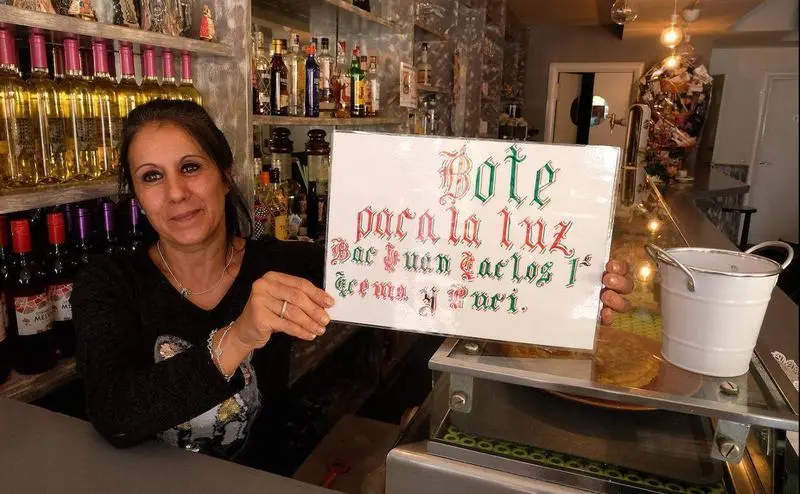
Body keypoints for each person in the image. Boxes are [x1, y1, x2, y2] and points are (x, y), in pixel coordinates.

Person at [72, 100, 633, 462]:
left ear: (225, 173)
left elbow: (429, 273)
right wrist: (239, 335)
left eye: (190, 167)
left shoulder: (287, 263)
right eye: (152, 177)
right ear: (138, 199)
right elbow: (116, 415)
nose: (175, 193)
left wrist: (569, 285)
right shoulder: (108, 283)